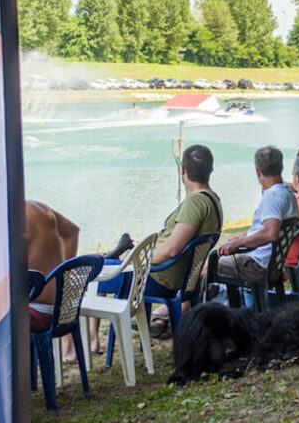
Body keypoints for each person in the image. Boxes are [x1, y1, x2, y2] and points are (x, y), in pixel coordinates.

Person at [91, 145, 224, 344]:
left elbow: (172, 249)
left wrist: (133, 258)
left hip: (158, 278)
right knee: (103, 260)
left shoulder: (195, 203)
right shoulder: (214, 201)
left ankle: (91, 341)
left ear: (183, 170)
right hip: (174, 277)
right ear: (211, 170)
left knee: (92, 271)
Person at [213, 146, 298, 284]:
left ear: (258, 172)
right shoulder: (288, 194)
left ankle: (183, 305)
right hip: (272, 264)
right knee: (211, 261)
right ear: (281, 167)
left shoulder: (273, 196)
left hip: (258, 266)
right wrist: (236, 239)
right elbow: (262, 230)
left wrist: (238, 243)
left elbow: (270, 233)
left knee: (204, 267)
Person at [26, 201, 81, 334]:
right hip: (62, 311)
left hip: (34, 314)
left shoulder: (7, 219)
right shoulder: (38, 208)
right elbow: (73, 231)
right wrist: (64, 279)